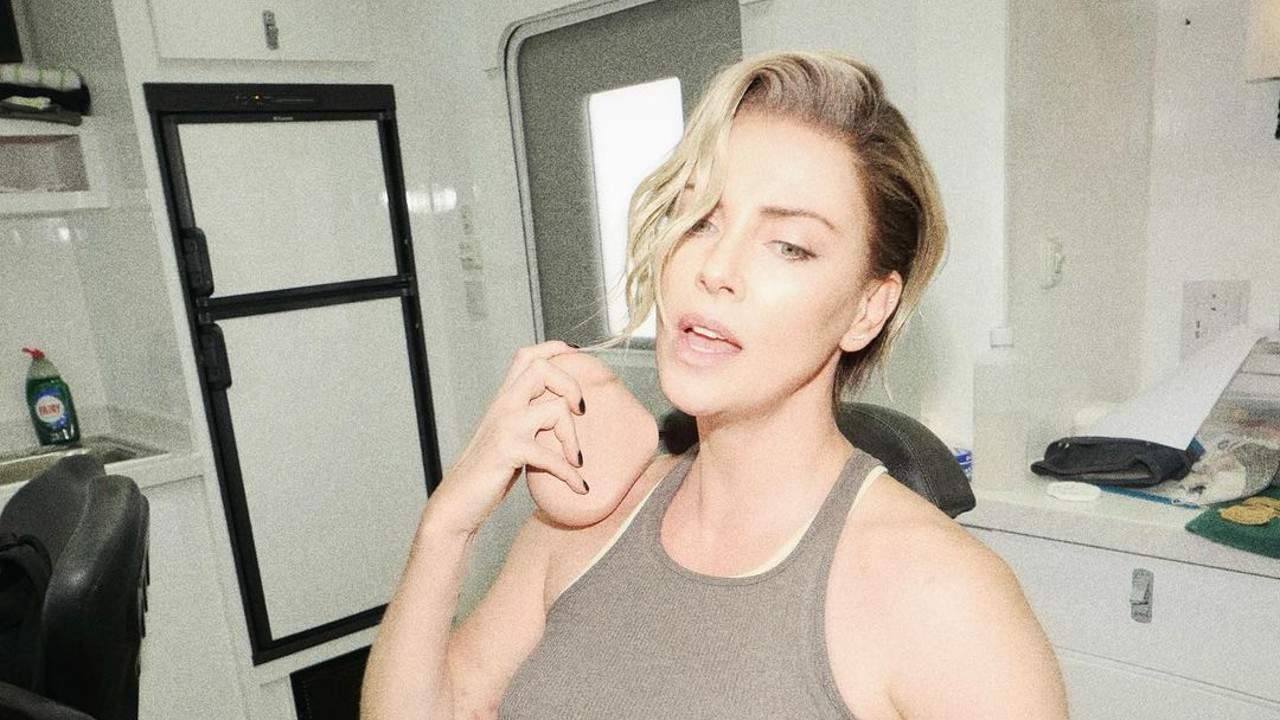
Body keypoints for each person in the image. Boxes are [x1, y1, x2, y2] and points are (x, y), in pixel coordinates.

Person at [361, 50, 1069, 719]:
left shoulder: (947, 598)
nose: (716, 268)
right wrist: (448, 523)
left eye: (788, 245)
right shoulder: (586, 522)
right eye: (699, 219)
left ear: (867, 308)